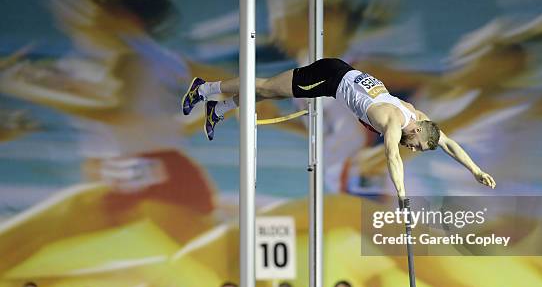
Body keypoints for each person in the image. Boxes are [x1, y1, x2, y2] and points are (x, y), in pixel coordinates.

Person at [182, 58, 496, 199]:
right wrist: (402, 195)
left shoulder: (418, 116)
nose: (411, 149)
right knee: (265, 88)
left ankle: (218, 108)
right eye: (414, 146)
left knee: (265, 93)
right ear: (415, 132)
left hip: (339, 76)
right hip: (329, 77)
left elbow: (449, 143)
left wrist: (476, 170)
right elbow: (392, 158)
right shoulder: (393, 121)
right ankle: (206, 89)